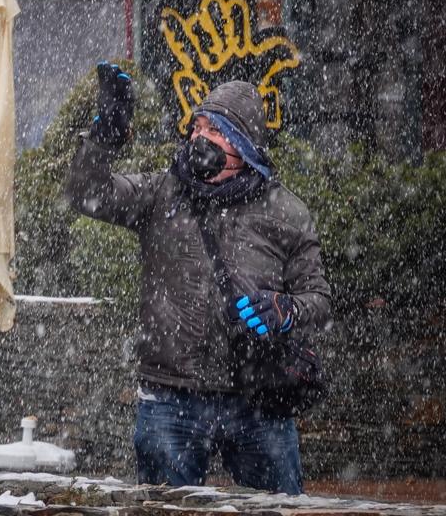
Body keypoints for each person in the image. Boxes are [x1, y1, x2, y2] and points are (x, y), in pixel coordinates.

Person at [65, 67, 330, 494]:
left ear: (243, 146)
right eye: (197, 127)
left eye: (215, 130)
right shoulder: (161, 193)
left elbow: (318, 298)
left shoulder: (287, 213)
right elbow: (85, 193)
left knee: (280, 509)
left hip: (258, 397)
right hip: (171, 397)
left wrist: (287, 310)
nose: (199, 139)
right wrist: (103, 139)